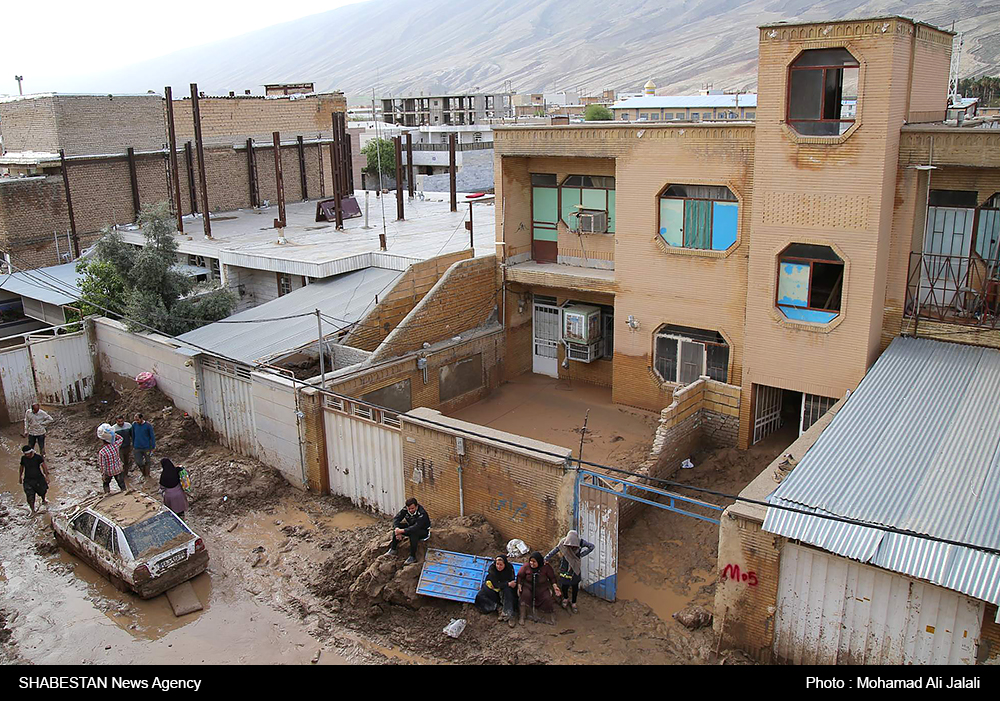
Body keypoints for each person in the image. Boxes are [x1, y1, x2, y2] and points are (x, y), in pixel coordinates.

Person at [545, 529, 595, 614]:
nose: (571, 547)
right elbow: (555, 550)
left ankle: (574, 602)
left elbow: (591, 547)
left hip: (575, 566)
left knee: (575, 585)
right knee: (564, 584)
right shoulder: (563, 543)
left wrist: (580, 555)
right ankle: (565, 598)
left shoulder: (581, 542)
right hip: (565, 565)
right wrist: (546, 558)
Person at [516, 551, 561, 625]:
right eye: (531, 561)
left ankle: (546, 617)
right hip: (528, 586)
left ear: (539, 562)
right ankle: (523, 616)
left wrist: (555, 586)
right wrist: (519, 585)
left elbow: (552, 578)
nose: (532, 564)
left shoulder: (546, 567)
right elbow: (520, 576)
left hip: (542, 588)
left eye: (534, 562)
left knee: (547, 598)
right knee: (525, 595)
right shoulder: (526, 567)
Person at [474, 554, 519, 627]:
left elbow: (512, 582)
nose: (498, 566)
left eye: (501, 565)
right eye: (497, 564)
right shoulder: (492, 569)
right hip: (493, 590)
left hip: (504, 591)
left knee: (509, 593)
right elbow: (494, 583)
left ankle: (509, 614)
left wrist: (506, 585)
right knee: (481, 596)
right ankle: (498, 608)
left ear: (505, 564)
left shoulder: (509, 569)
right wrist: (507, 584)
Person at [386, 497, 430, 565]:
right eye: (409, 509)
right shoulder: (405, 509)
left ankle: (412, 556)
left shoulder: (422, 513)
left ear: (416, 506)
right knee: (397, 528)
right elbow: (396, 519)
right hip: (410, 526)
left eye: (412, 508)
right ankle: (393, 549)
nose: (410, 510)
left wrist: (402, 531)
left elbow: (416, 527)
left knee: (413, 533)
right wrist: (397, 530)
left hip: (422, 531)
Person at [19, 445, 49, 517]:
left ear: (31, 452)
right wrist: (20, 476)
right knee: (29, 496)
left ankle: (43, 500)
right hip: (28, 480)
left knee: (43, 491)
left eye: (27, 454)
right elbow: (21, 467)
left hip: (39, 479)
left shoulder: (38, 457)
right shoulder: (23, 458)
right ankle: (33, 510)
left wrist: (46, 476)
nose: (26, 455)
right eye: (25, 454)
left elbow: (44, 466)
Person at [97, 424, 127, 494]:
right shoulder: (115, 445)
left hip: (108, 472)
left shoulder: (102, 452)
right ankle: (125, 493)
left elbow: (102, 465)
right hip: (118, 469)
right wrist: (113, 434)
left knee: (106, 484)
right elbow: (121, 438)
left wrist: (103, 474)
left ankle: (107, 494)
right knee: (121, 483)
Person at [131, 413, 155, 478]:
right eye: (135, 420)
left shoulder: (148, 425)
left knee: (147, 461)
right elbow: (133, 435)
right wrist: (133, 444)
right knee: (138, 462)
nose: (136, 421)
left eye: (138, 420)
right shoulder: (134, 425)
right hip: (137, 447)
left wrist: (153, 446)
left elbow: (152, 436)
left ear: (141, 418)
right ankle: (144, 473)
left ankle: (147, 475)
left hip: (146, 447)